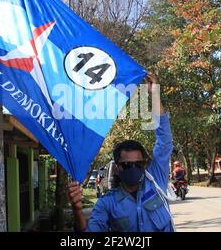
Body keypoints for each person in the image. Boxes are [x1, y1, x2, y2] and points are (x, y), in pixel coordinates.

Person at [67, 73, 174, 232]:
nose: (134, 169)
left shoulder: (156, 180)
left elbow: (164, 141)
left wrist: (155, 93)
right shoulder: (107, 204)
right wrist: (77, 210)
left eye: (139, 164)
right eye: (127, 165)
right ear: (117, 167)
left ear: (145, 164)